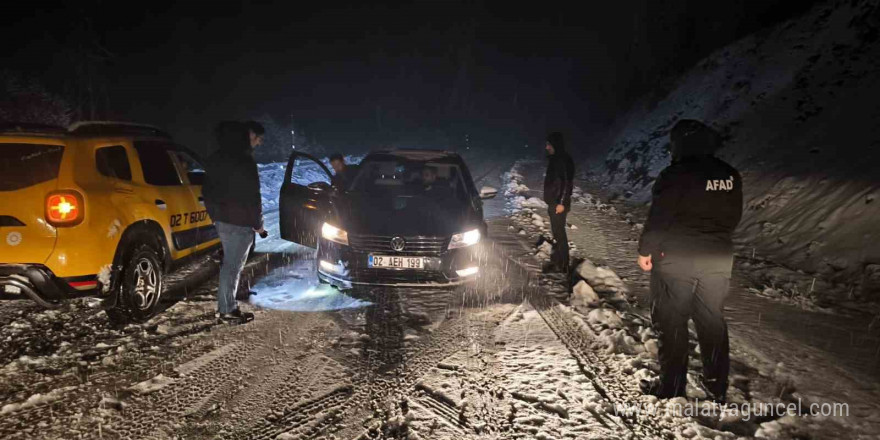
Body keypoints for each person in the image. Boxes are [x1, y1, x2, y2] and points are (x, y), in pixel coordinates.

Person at [637, 119, 743, 403]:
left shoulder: (675, 174)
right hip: (718, 255)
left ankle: (671, 387)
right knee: (712, 320)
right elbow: (734, 217)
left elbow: (659, 217)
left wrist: (646, 250)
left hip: (677, 256)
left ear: (680, 144)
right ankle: (716, 386)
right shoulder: (729, 174)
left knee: (671, 320)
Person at [202, 121, 266, 325]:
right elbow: (253, 197)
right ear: (249, 135)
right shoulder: (244, 161)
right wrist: (258, 225)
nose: (259, 143)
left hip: (222, 220)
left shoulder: (215, 158)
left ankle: (225, 306)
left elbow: (207, 191)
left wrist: (216, 215)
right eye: (258, 138)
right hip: (239, 223)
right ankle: (227, 310)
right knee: (232, 266)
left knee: (229, 265)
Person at [543, 132, 574, 273]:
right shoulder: (556, 159)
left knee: (559, 234)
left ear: (555, 144)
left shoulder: (561, 159)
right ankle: (559, 262)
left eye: (549, 144)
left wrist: (561, 202)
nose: (546, 147)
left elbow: (566, 182)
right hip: (554, 202)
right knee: (557, 233)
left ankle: (563, 265)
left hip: (558, 203)